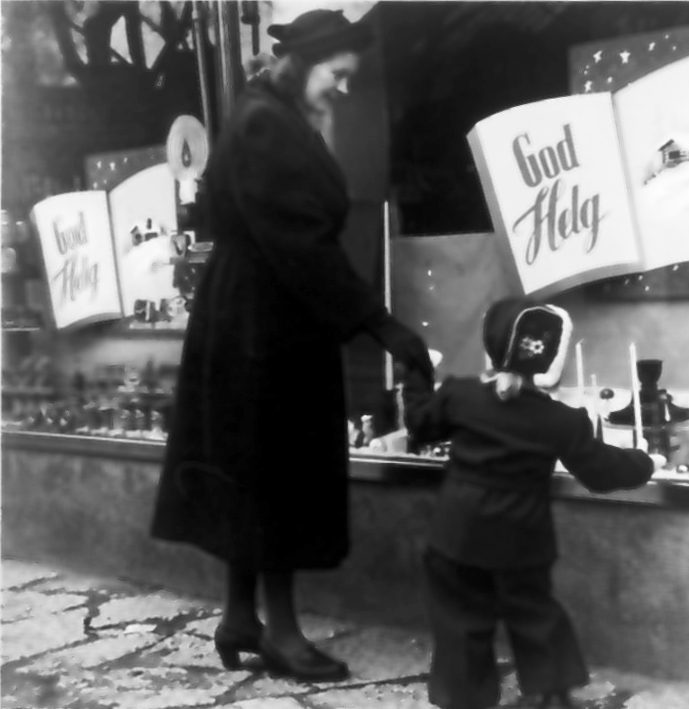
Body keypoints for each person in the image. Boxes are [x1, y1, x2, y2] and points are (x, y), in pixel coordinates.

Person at [150, 10, 433, 683]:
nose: (341, 87)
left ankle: (239, 616)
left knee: (253, 467)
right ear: (304, 64)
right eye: (337, 74)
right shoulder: (266, 124)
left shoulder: (269, 116)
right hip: (265, 324)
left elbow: (297, 239)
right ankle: (280, 631)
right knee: (277, 473)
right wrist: (382, 324)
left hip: (258, 316)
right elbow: (301, 242)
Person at [402, 298, 662, 709]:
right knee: (534, 615)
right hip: (521, 541)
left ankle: (463, 697)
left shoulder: (460, 396)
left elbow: (418, 423)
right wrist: (645, 461)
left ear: (491, 346)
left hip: (455, 536)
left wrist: (416, 371)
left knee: (460, 620)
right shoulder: (561, 420)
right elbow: (601, 471)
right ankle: (550, 694)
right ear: (551, 357)